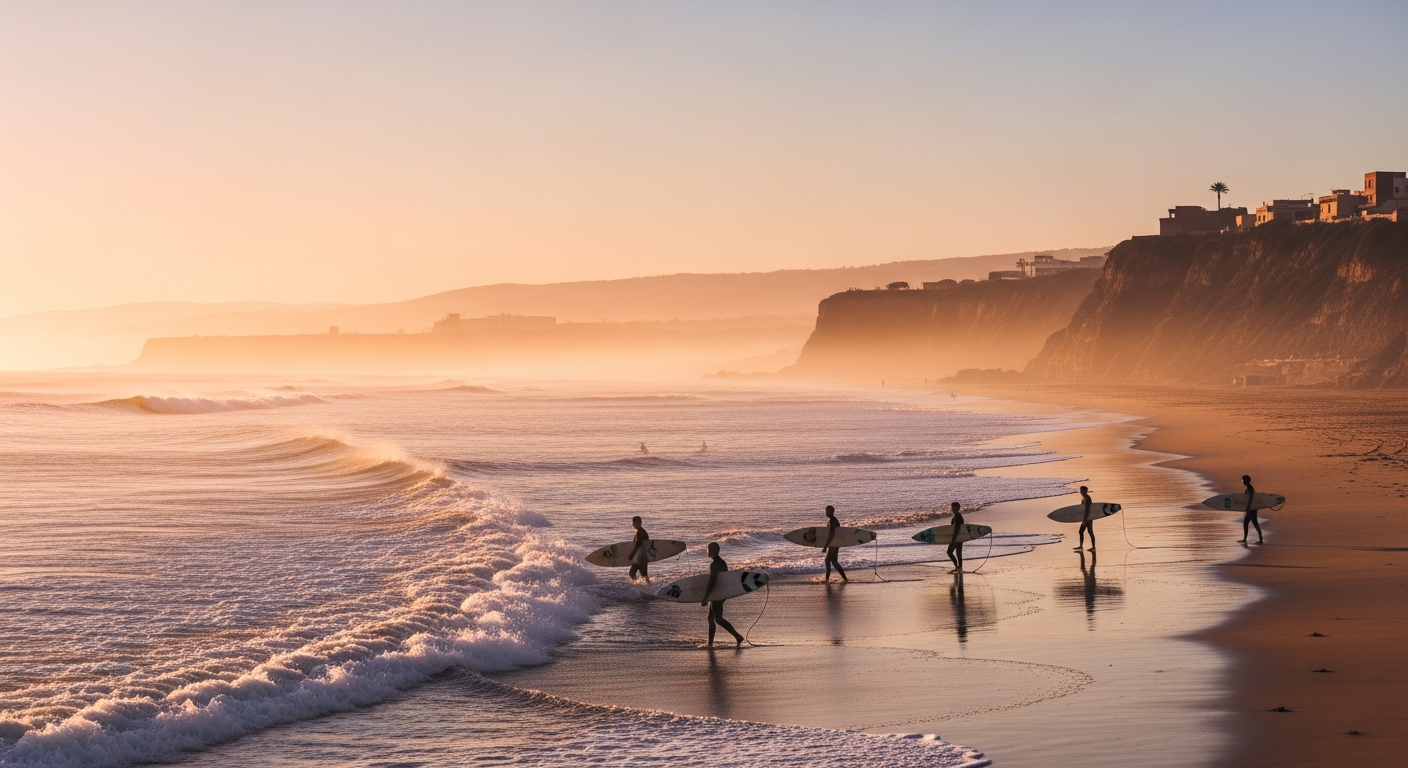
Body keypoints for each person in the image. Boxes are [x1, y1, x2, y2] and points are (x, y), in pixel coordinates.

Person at [701, 542, 744, 648]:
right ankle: (710, 644)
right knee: (711, 618)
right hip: (720, 592)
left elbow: (712, 582)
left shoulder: (715, 564)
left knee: (718, 619)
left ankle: (738, 637)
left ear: (712, 551)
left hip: (718, 594)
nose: (707, 551)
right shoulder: (721, 562)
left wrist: (706, 597)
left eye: (708, 549)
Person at [821, 505, 848, 583]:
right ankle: (845, 579)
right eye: (825, 511)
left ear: (831, 512)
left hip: (834, 544)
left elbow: (831, 535)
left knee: (828, 560)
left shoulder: (833, 521)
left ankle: (827, 579)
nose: (826, 513)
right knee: (834, 561)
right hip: (834, 543)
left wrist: (825, 546)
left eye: (827, 511)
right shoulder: (831, 520)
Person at [1239, 475, 1264, 545]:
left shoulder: (1249, 488)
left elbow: (1250, 499)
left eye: (1243, 480)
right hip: (1251, 507)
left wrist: (1248, 508)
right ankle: (1245, 539)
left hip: (1252, 508)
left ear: (1246, 481)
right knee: (1246, 523)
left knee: (1255, 523)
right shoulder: (1247, 487)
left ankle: (1261, 539)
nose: (1242, 482)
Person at [627, 516, 651, 582]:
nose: (632, 524)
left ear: (636, 523)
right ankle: (648, 587)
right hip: (643, 557)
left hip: (640, 558)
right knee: (644, 575)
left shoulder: (640, 532)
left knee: (632, 573)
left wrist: (632, 555)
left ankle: (638, 586)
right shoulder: (641, 531)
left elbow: (638, 545)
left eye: (633, 522)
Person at [1075, 485, 1096, 552]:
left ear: (1086, 491)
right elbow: (1082, 509)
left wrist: (1085, 520)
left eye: (1083, 491)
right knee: (1081, 531)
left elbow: (1087, 510)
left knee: (1090, 532)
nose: (1081, 492)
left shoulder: (1087, 499)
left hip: (1088, 518)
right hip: (1086, 517)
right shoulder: (1084, 498)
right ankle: (1081, 546)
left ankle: (1093, 547)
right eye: (1081, 491)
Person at [947, 501, 965, 574]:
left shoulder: (957, 516)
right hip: (960, 537)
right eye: (953, 507)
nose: (954, 509)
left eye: (955, 508)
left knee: (949, 552)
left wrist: (953, 540)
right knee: (958, 553)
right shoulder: (956, 515)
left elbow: (957, 529)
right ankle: (959, 568)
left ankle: (957, 567)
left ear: (958, 508)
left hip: (957, 537)